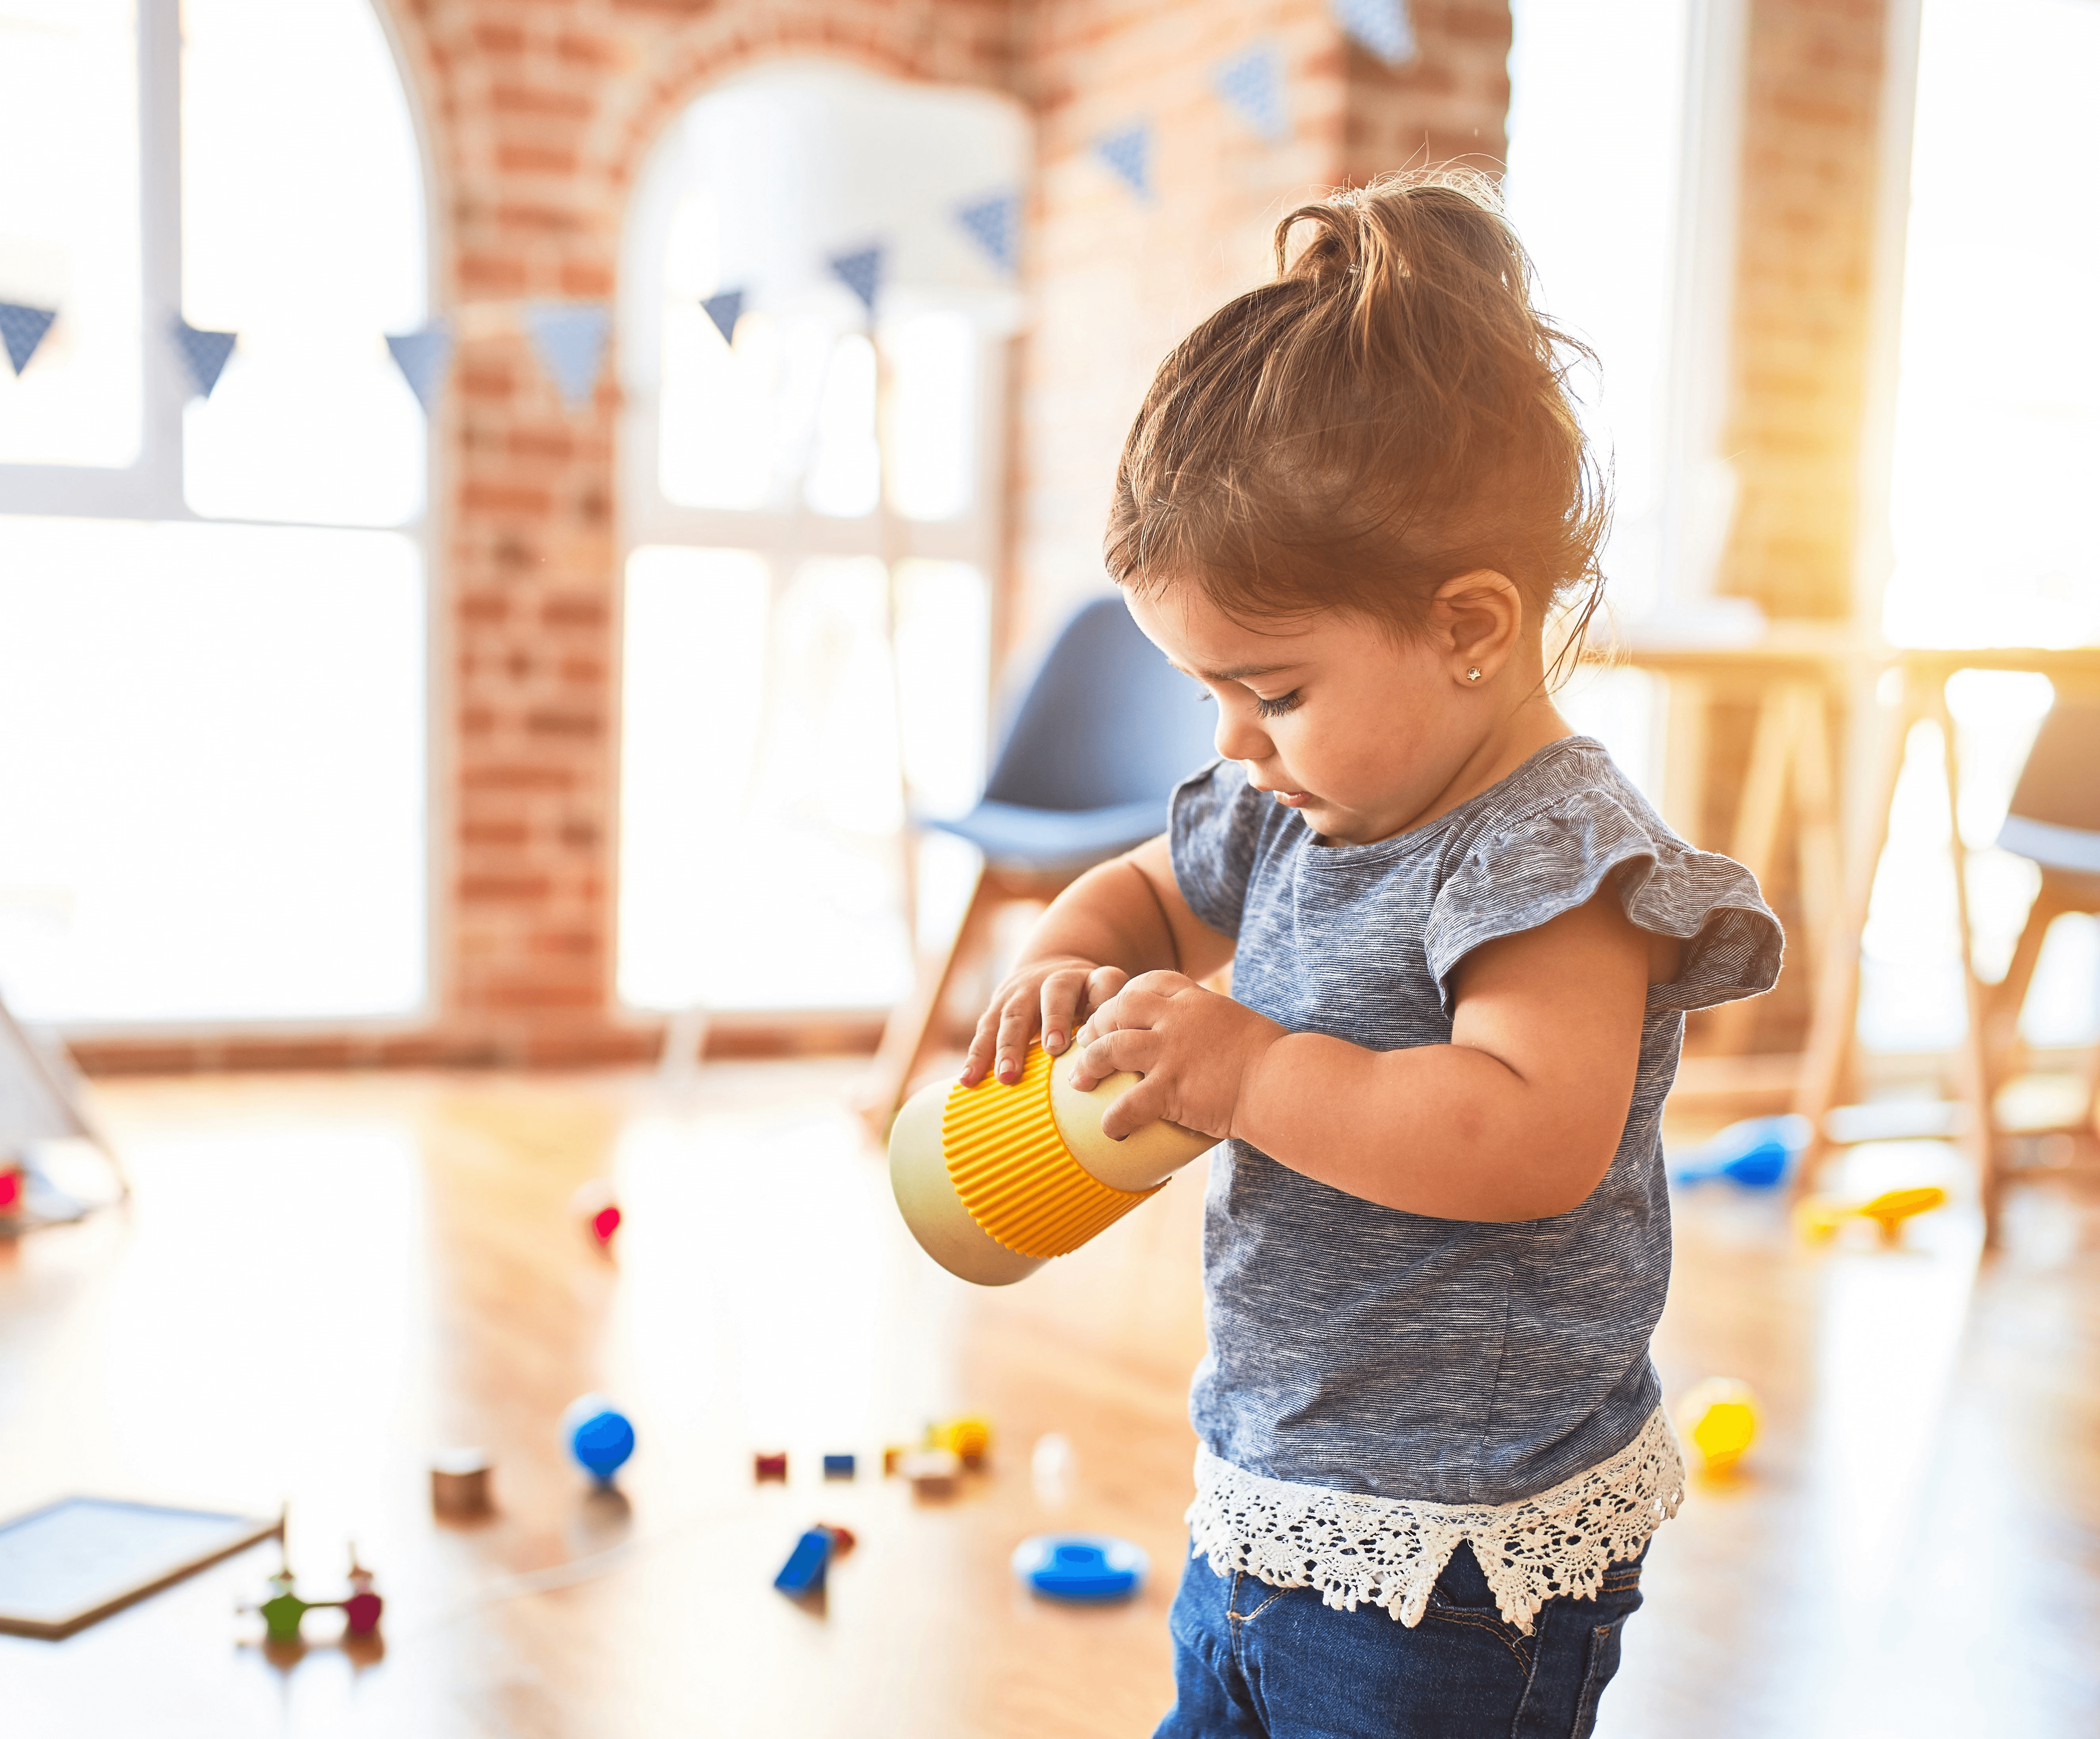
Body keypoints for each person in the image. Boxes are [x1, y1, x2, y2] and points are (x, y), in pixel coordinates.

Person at [959, 169, 1783, 1738]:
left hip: (1462, 1558)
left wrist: (1256, 1067)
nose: (1233, 744)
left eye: (1268, 690)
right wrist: (1066, 961)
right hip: (1280, 1480)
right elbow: (1141, 890)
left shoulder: (1552, 861)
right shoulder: (1298, 808)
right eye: (1211, 692)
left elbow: (1528, 1134)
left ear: (1472, 626)